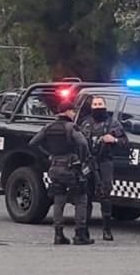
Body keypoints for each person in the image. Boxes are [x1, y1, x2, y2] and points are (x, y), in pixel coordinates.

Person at [30, 99, 93, 245]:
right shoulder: (71, 127)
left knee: (59, 199)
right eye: (73, 111)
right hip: (71, 168)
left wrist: (49, 154)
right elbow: (83, 143)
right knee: (81, 199)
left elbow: (33, 143)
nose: (74, 114)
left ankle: (58, 235)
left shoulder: (48, 127)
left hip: (55, 167)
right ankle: (80, 235)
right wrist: (82, 159)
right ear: (68, 111)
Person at [80, 97, 128, 241]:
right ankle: (84, 230)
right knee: (86, 196)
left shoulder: (112, 124)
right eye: (95, 104)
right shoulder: (86, 123)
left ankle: (107, 230)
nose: (97, 107)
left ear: (105, 106)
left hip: (105, 162)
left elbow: (125, 143)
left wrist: (113, 140)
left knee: (105, 196)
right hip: (88, 162)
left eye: (100, 104)